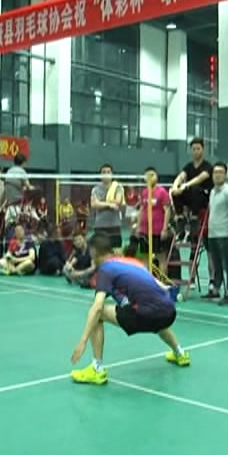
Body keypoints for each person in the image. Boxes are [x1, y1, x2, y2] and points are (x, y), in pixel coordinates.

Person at [70, 233, 190, 385]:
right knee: (155, 310)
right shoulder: (131, 262)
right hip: (169, 312)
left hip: (145, 314)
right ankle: (180, 353)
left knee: (98, 314)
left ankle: (97, 369)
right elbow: (157, 284)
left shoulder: (106, 270)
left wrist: (83, 341)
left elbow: (97, 307)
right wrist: (168, 289)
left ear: (94, 253)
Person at [206, 162, 228, 305]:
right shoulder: (212, 192)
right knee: (216, 264)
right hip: (212, 234)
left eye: (220, 172)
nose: (217, 175)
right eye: (215, 172)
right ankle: (216, 290)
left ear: (225, 175)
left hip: (224, 234)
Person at [170, 137, 213, 242]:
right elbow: (181, 176)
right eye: (193, 149)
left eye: (198, 149)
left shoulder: (207, 166)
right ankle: (180, 219)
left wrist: (185, 185)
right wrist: (175, 187)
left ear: (203, 149)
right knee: (175, 192)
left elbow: (200, 178)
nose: (196, 151)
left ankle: (194, 218)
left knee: (195, 188)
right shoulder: (188, 166)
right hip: (191, 198)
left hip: (203, 198)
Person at [135, 166, 171, 275]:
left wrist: (164, 229)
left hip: (158, 231)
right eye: (147, 175)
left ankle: (162, 282)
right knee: (145, 257)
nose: (150, 178)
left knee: (161, 258)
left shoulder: (162, 192)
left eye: (152, 175)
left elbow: (167, 210)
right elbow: (141, 209)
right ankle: (147, 281)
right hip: (145, 231)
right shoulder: (144, 192)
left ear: (157, 177)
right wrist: (138, 227)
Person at [90, 164, 124, 251]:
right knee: (100, 252)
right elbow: (94, 204)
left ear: (112, 174)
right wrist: (109, 205)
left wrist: (100, 203)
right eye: (104, 172)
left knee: (116, 252)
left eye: (108, 172)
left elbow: (117, 201)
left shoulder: (118, 187)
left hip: (114, 226)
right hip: (100, 226)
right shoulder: (95, 189)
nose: (106, 174)